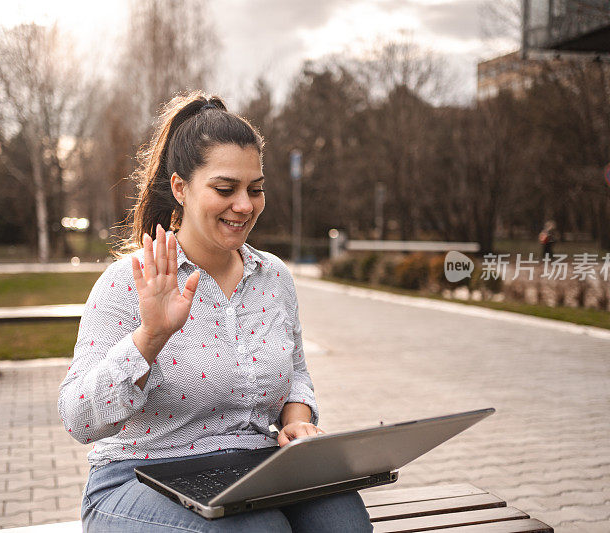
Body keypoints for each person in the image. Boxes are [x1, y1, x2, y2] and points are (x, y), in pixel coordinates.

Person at [57, 91, 373, 532]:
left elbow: (297, 373)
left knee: (344, 523)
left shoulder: (273, 277)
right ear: (180, 188)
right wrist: (150, 337)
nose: (244, 205)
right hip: (139, 477)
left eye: (255, 189)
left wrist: (298, 422)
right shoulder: (127, 283)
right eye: (226, 189)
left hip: (256, 468)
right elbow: (77, 418)